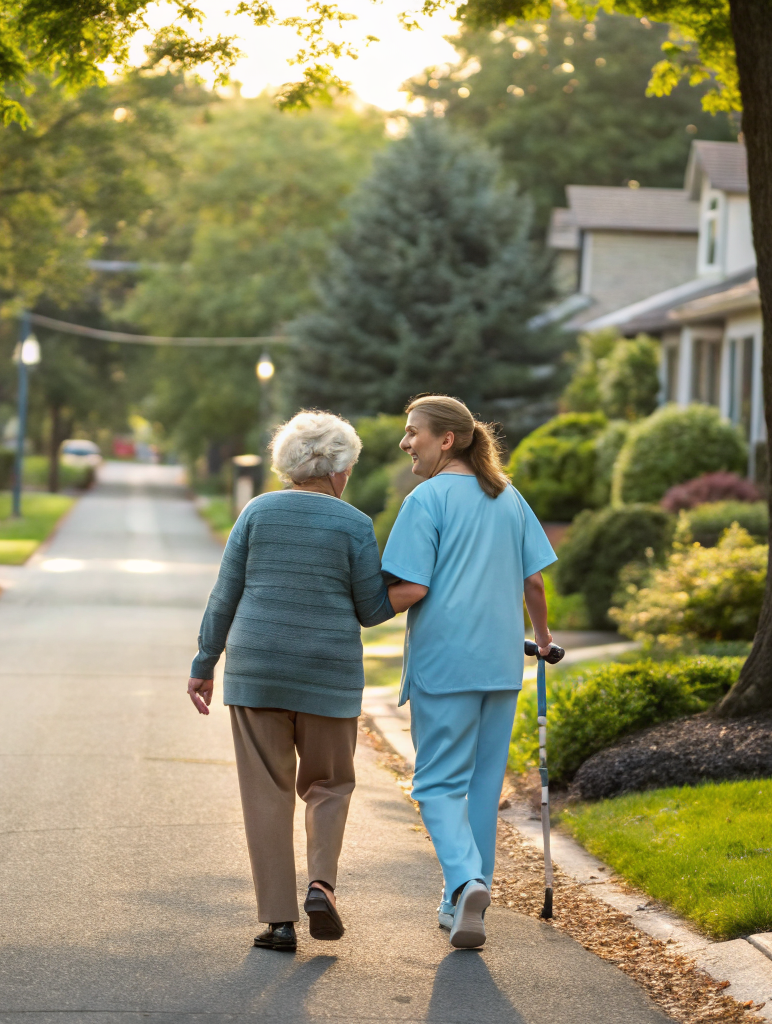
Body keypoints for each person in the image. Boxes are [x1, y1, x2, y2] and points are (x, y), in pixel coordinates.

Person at [187, 411, 394, 953]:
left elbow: (224, 594)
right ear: (339, 468)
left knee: (266, 794)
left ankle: (279, 923)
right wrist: (413, 590)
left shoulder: (256, 512)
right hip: (328, 675)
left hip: (257, 671)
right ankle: (321, 885)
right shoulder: (354, 524)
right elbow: (371, 610)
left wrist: (204, 663)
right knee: (329, 785)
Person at [380, 394, 556, 949]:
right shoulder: (508, 497)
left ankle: (465, 879)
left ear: (446, 439)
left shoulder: (426, 500)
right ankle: (462, 903)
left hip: (446, 662)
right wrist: (545, 639)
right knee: (481, 786)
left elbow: (410, 589)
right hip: (502, 664)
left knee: (435, 784)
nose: (406, 442)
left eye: (414, 433)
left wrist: (355, 613)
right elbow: (534, 582)